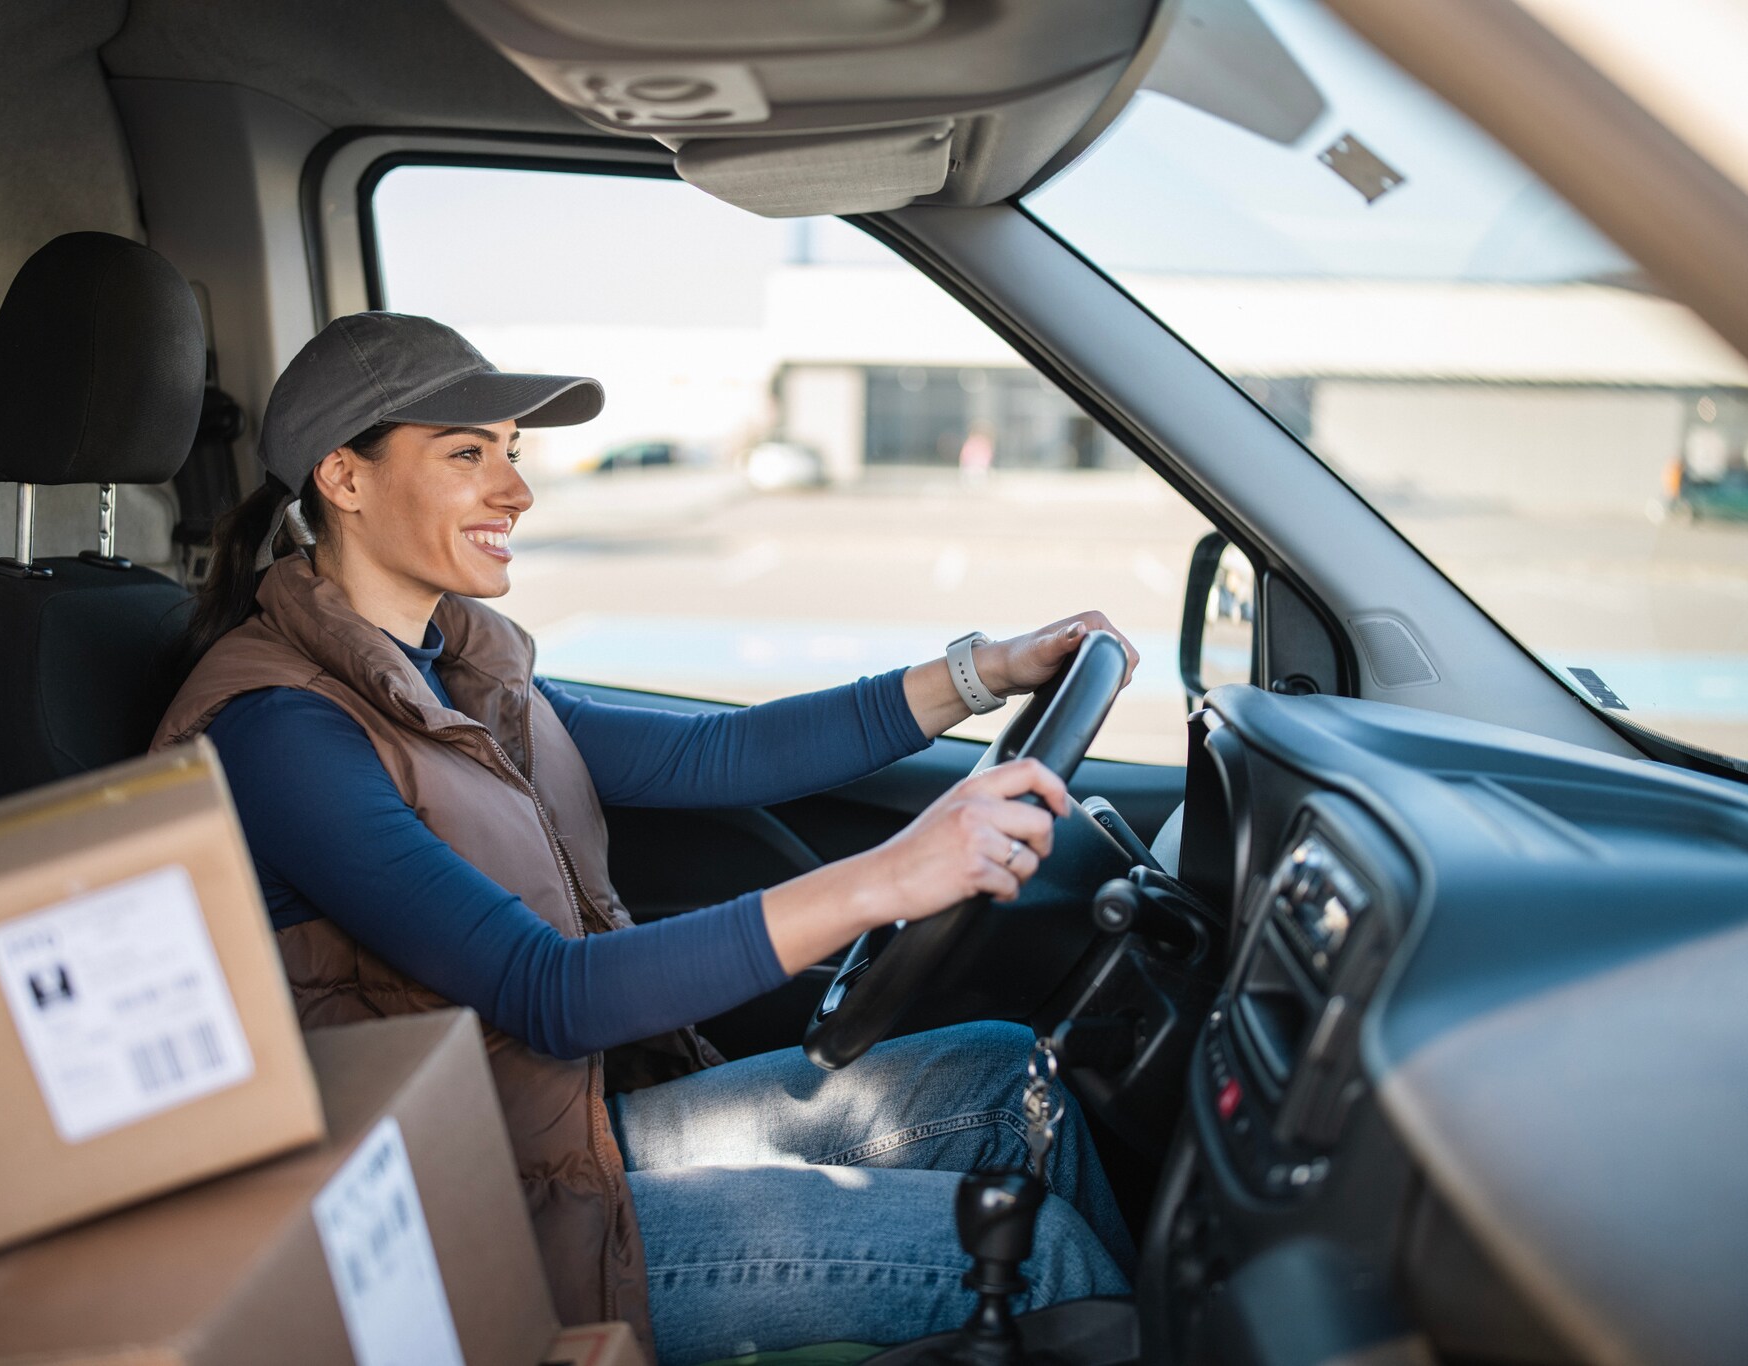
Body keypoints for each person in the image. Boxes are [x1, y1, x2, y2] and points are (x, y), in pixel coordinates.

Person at [153, 313, 1142, 1365]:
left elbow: (716, 755)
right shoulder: (280, 731)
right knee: (1036, 1254)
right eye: (466, 453)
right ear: (344, 478)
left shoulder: (454, 667)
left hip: (562, 1133)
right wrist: (888, 876)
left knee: (1003, 1075)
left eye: (512, 453)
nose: (516, 491)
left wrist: (984, 669)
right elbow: (551, 991)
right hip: (479, 1216)